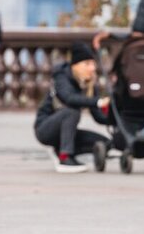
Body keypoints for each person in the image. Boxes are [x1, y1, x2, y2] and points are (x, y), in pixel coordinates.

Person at [34, 43, 111, 172]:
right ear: (75, 65)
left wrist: (115, 114)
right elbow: (69, 98)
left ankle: (60, 150)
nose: (92, 68)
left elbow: (98, 117)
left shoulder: (90, 85)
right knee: (72, 111)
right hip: (45, 129)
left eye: (93, 64)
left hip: (67, 131)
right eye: (87, 64)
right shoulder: (61, 76)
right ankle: (65, 158)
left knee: (105, 143)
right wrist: (98, 102)